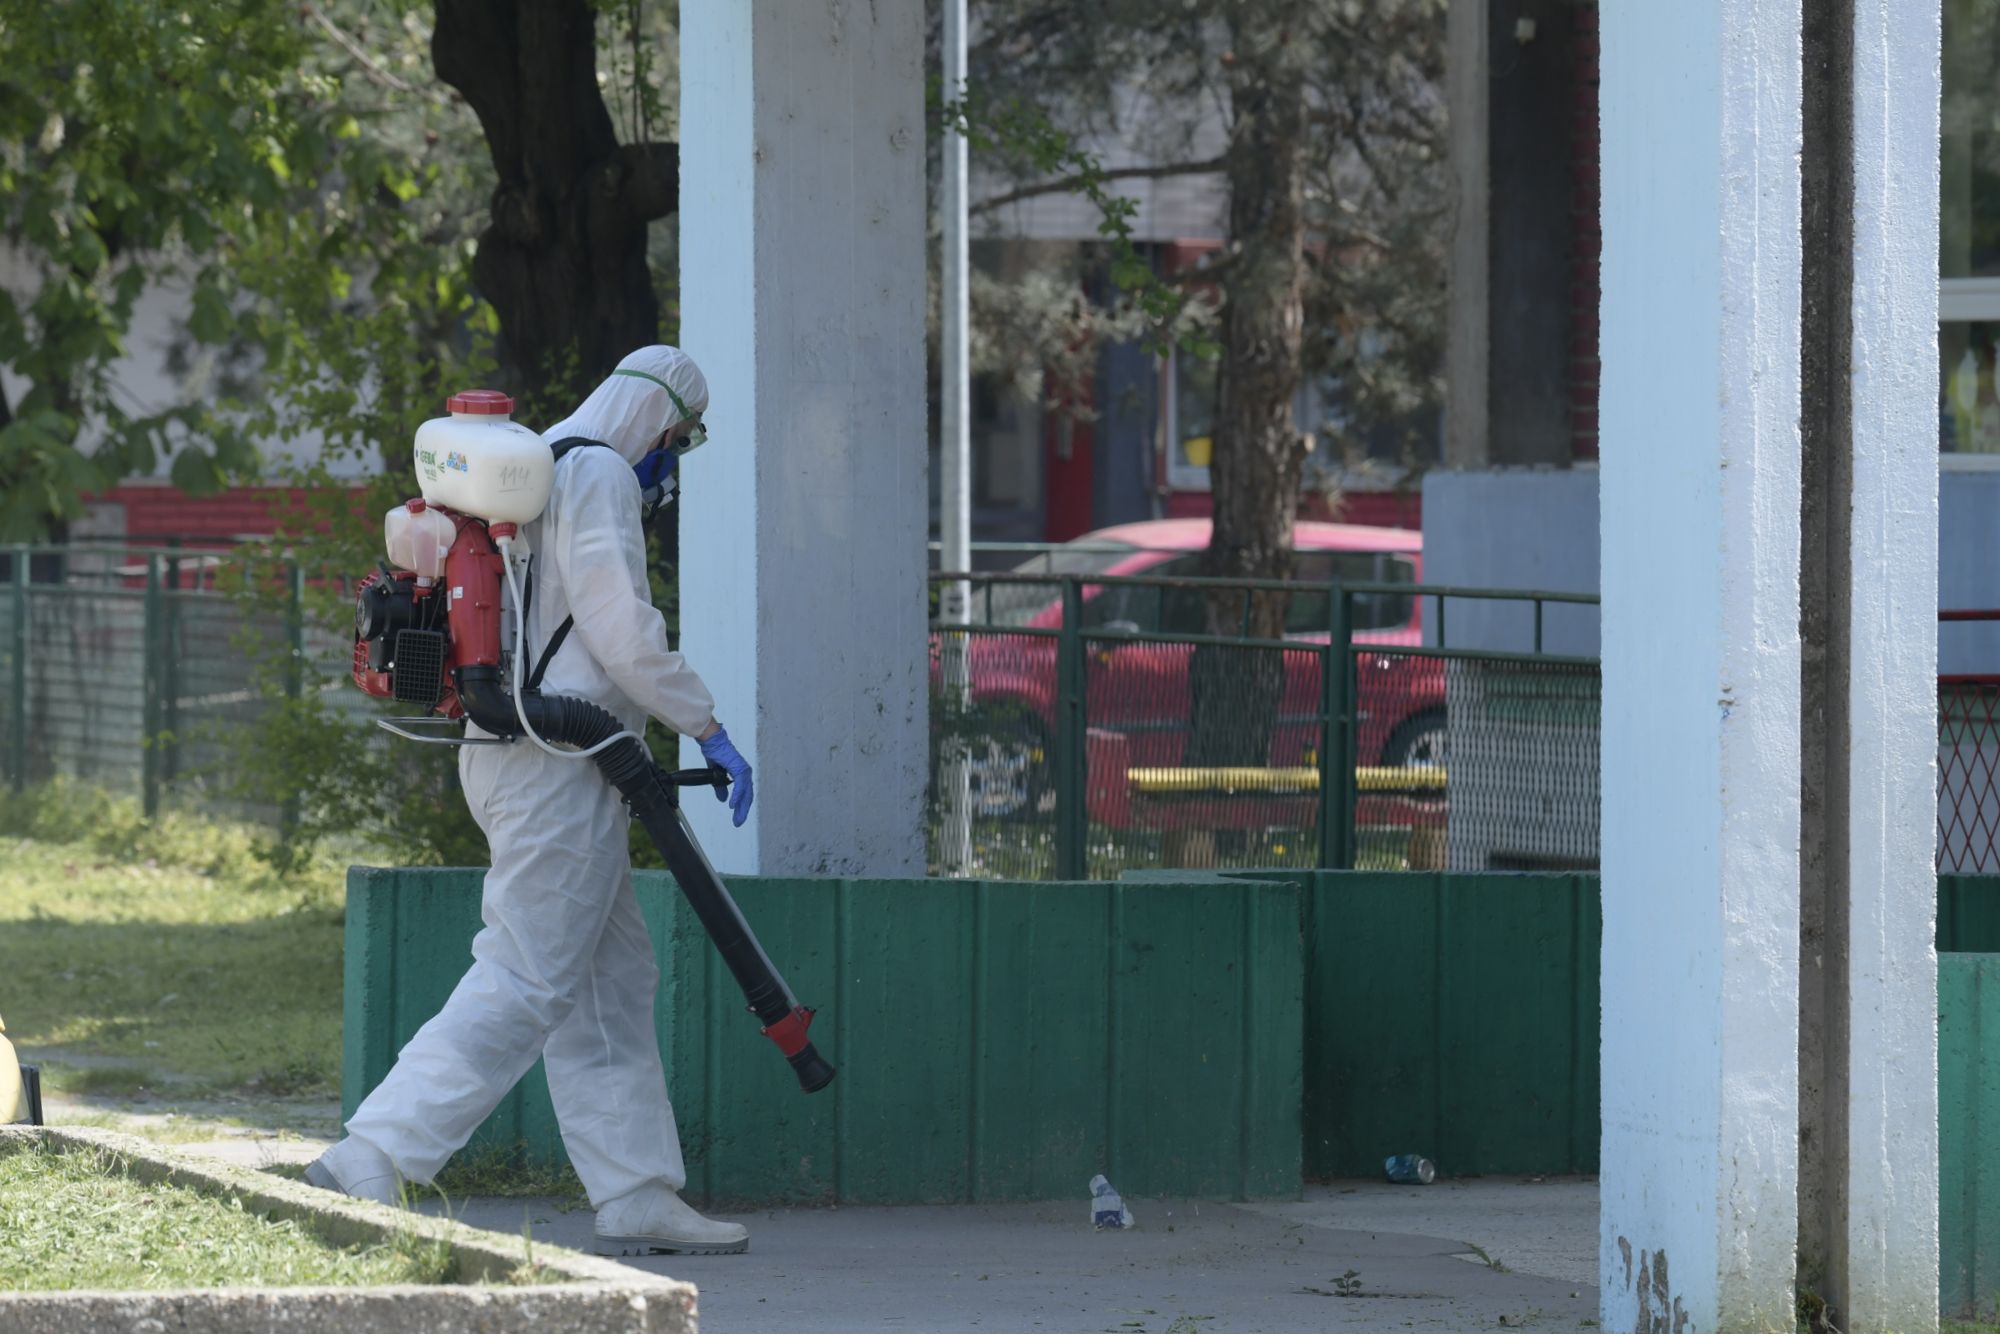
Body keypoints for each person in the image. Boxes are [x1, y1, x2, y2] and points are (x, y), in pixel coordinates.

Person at [307, 346, 756, 1257]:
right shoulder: (596, 473)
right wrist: (703, 724)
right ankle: (377, 1152)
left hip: (523, 750)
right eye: (677, 438)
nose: (671, 459)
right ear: (654, 417)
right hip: (557, 760)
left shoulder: (538, 460)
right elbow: (620, 628)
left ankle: (634, 1190)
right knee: (527, 973)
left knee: (611, 981)